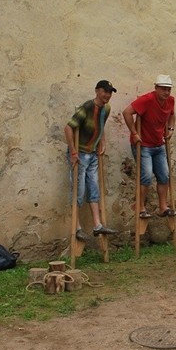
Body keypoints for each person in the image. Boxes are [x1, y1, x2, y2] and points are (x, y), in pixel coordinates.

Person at [64, 80, 119, 241]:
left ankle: (97, 225)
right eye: (104, 92)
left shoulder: (106, 109)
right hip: (79, 154)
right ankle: (77, 227)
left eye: (109, 93)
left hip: (93, 153)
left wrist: (102, 141)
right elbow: (68, 128)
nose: (107, 96)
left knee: (94, 188)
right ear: (97, 91)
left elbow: (100, 126)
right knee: (78, 191)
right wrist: (73, 152)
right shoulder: (86, 108)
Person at [122, 74, 176, 218]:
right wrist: (134, 133)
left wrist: (171, 129)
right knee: (146, 176)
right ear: (156, 88)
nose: (166, 92)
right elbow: (127, 112)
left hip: (158, 144)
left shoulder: (170, 100)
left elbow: (172, 115)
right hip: (143, 144)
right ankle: (140, 208)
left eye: (168, 89)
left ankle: (163, 207)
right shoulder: (147, 99)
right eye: (163, 89)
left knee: (164, 175)